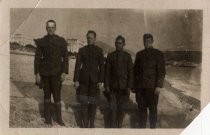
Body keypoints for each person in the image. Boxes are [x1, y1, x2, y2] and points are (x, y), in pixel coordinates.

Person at [34, 20, 69, 126]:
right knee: (47, 97)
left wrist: (64, 72)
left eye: (52, 27)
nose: (50, 29)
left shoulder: (61, 41)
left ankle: (59, 119)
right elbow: (37, 59)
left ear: (55, 28)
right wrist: (37, 74)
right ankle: (48, 119)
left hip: (57, 74)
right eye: (48, 27)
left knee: (57, 97)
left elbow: (66, 58)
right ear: (46, 28)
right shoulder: (41, 42)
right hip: (44, 74)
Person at [133, 33, 166, 128]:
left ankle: (152, 130)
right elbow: (135, 71)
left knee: (153, 110)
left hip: (152, 88)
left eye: (148, 41)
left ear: (152, 42)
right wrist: (134, 86)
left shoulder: (158, 54)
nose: (146, 43)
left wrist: (159, 86)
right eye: (145, 41)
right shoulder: (139, 54)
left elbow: (161, 71)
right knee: (142, 110)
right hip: (140, 88)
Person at [73, 30, 104, 128]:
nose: (89, 39)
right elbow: (78, 66)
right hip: (83, 81)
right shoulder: (82, 50)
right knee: (84, 102)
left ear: (95, 39)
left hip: (94, 81)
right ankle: (85, 124)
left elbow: (102, 67)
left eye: (91, 38)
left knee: (93, 103)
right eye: (88, 38)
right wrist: (76, 80)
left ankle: (91, 124)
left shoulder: (99, 50)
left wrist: (101, 81)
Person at [104, 35, 133, 128]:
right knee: (113, 109)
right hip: (113, 88)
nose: (117, 45)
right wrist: (107, 86)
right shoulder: (110, 56)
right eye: (116, 43)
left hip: (124, 88)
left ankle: (119, 128)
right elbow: (107, 72)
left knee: (121, 110)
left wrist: (129, 86)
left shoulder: (128, 57)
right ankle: (113, 129)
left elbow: (131, 73)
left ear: (124, 44)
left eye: (120, 43)